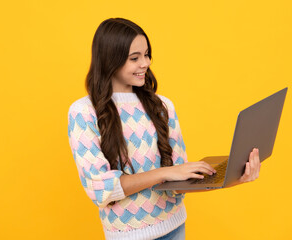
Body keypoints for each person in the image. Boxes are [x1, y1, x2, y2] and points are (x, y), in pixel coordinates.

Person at [67, 17, 261, 240]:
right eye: (134, 58)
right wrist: (165, 173)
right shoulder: (83, 112)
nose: (146, 63)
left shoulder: (162, 105)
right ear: (110, 60)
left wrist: (234, 177)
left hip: (174, 228)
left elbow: (177, 181)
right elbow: (101, 190)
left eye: (147, 54)